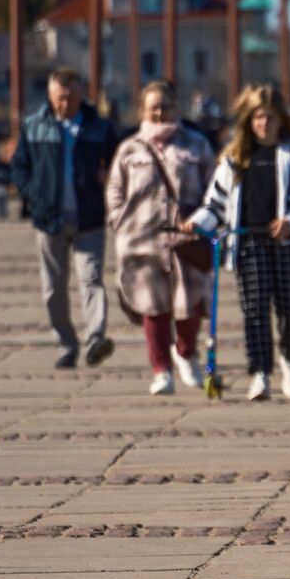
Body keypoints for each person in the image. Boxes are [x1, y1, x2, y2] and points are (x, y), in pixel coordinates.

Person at [188, 84, 290, 401]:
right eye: (258, 117)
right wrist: (197, 224)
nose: (264, 124)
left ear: (281, 120)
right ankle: (260, 372)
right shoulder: (235, 159)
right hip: (247, 243)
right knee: (254, 309)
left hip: (287, 242)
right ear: (249, 120)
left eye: (270, 117)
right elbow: (215, 204)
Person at [105, 80, 216, 395]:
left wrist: (205, 219)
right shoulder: (130, 148)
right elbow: (115, 187)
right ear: (143, 110)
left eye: (165, 105)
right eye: (153, 106)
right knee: (152, 306)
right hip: (141, 240)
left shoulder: (196, 144)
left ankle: (185, 353)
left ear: (175, 108)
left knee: (189, 303)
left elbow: (213, 185)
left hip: (186, 240)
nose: (159, 111)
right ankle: (161, 370)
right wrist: (118, 218)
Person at [10, 67, 120, 369]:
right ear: (50, 95)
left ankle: (95, 340)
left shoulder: (100, 127)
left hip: (90, 220)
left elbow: (120, 162)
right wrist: (34, 193)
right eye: (59, 98)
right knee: (53, 288)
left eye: (71, 98)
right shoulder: (34, 126)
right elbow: (19, 166)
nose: (65, 104)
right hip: (49, 221)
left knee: (93, 280)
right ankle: (66, 344)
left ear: (82, 93)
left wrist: (108, 176)